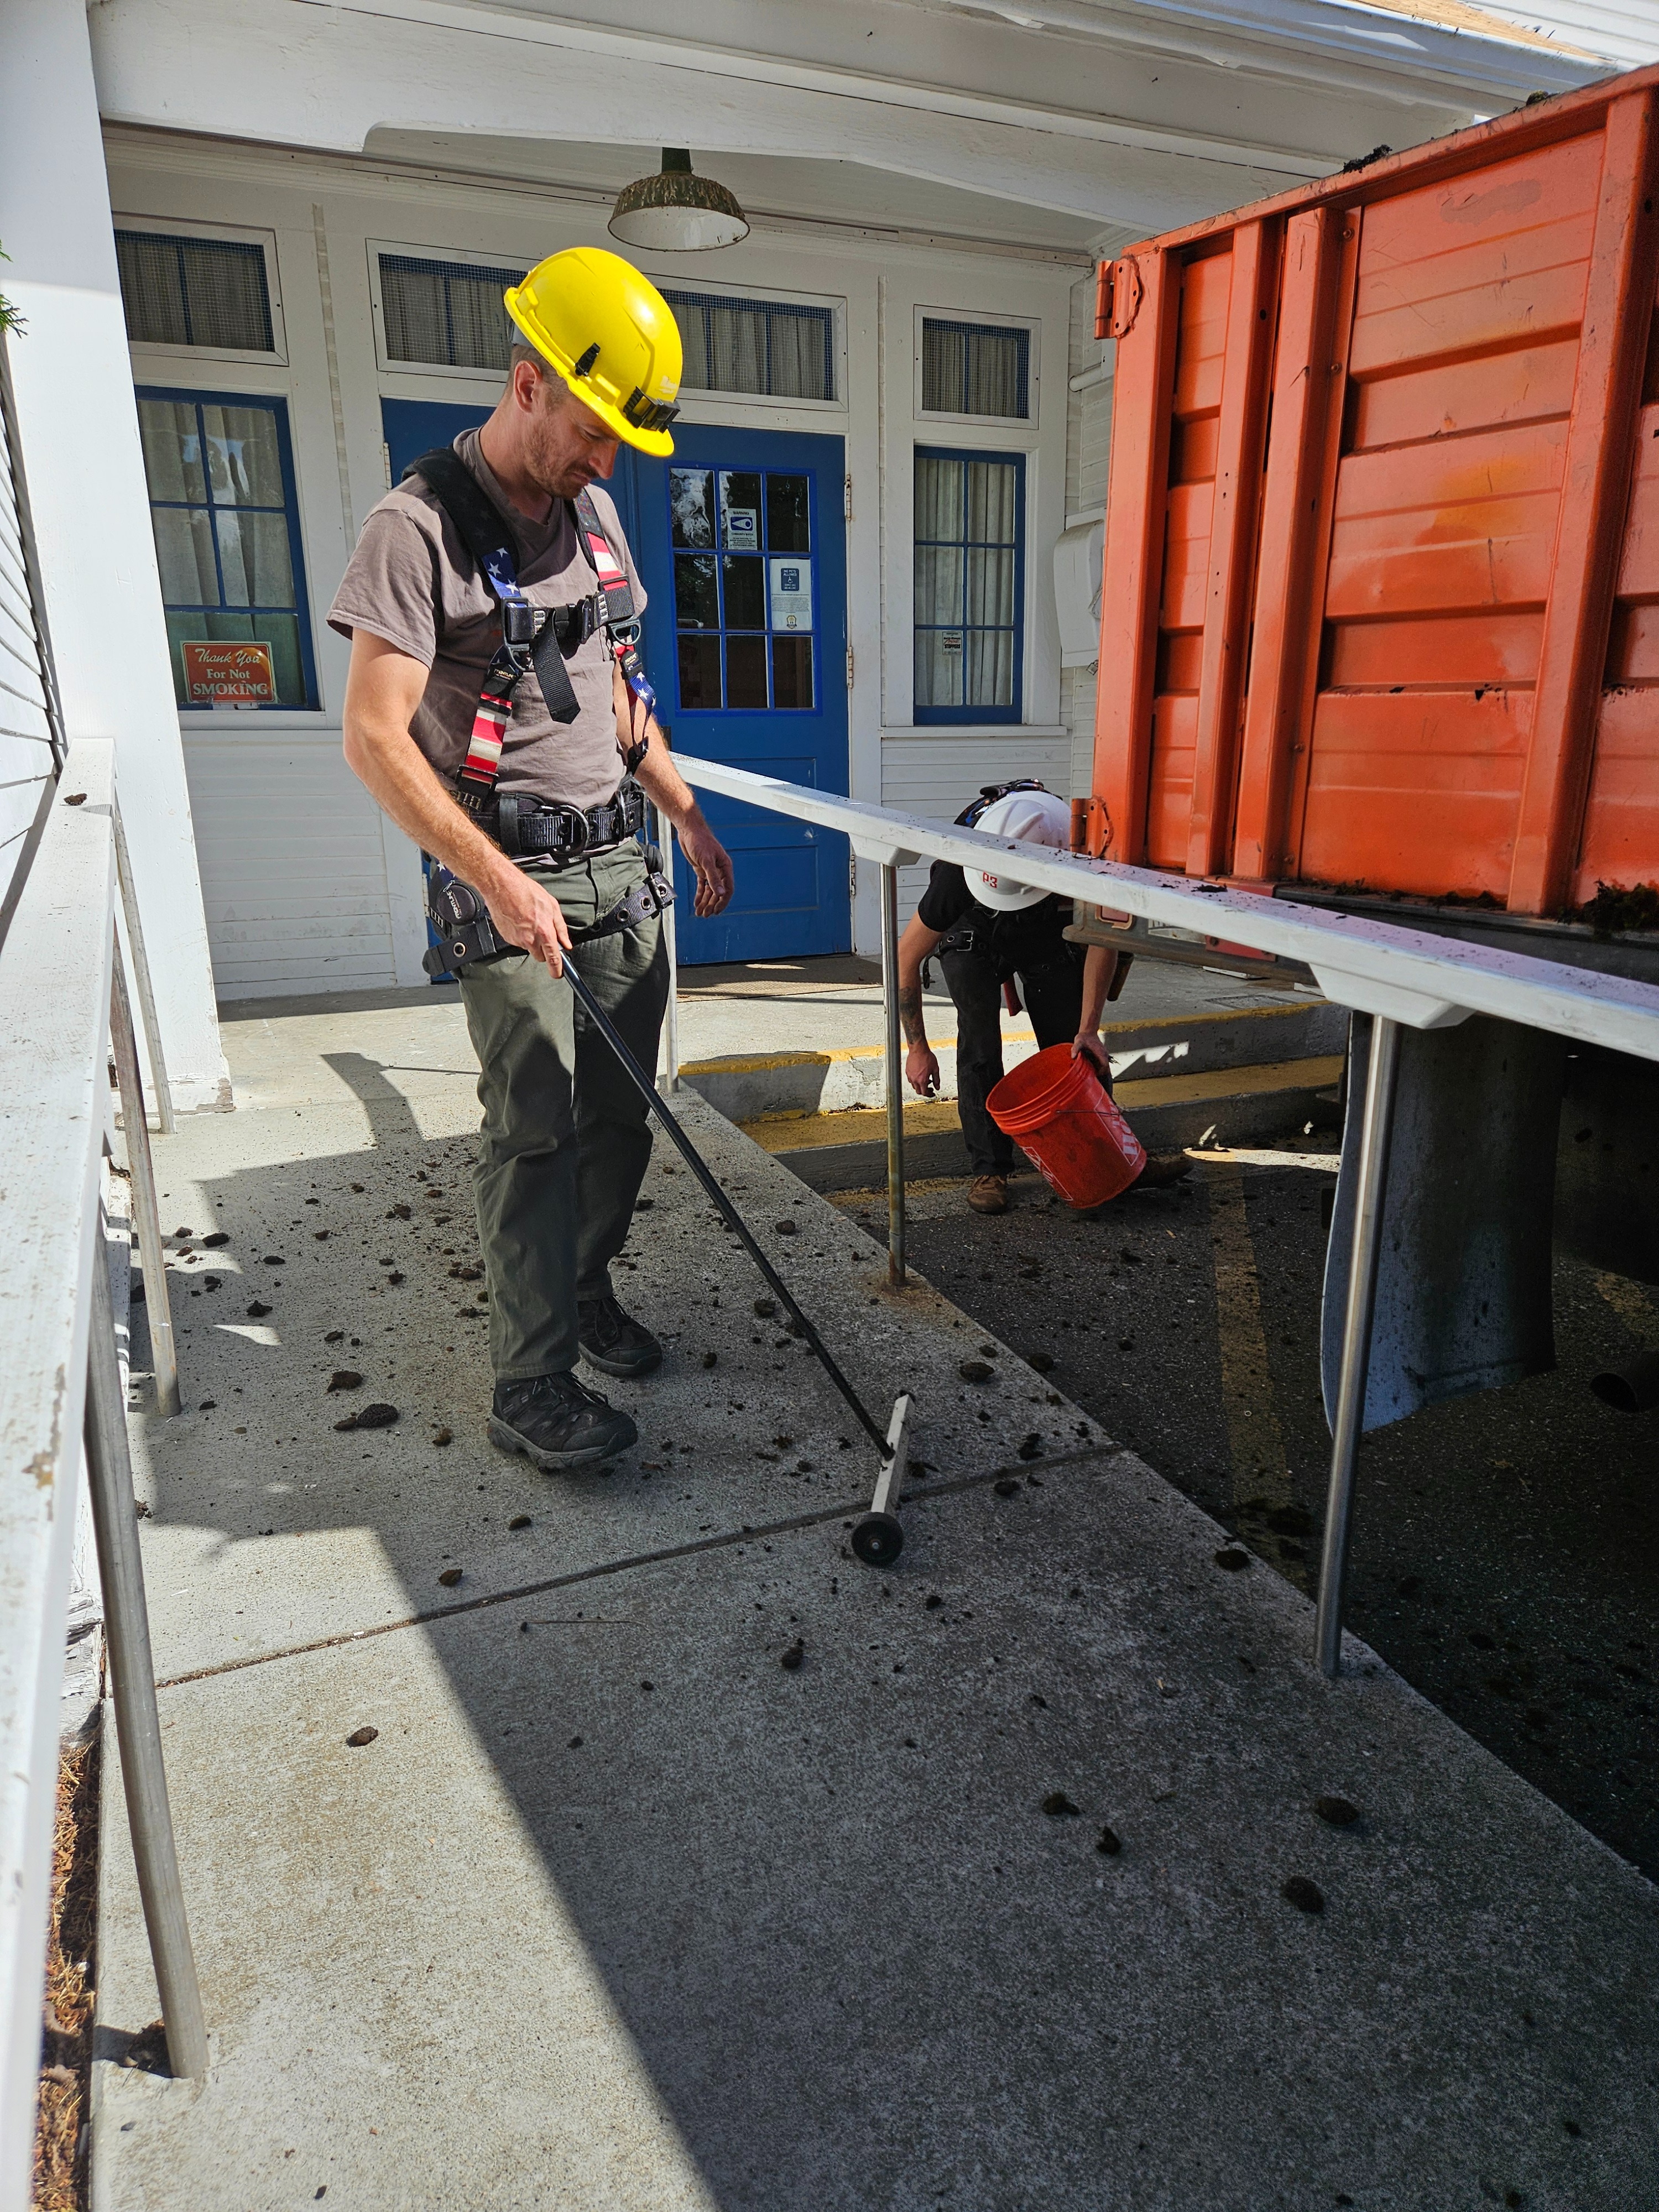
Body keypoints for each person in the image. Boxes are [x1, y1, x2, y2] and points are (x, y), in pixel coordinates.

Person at [332, 246, 734, 1472]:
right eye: (594, 431)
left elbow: (614, 696)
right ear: (527, 383)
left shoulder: (593, 516)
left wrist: (687, 814)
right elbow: (373, 736)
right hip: (505, 878)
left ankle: (583, 1285)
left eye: (621, 440)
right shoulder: (415, 529)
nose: (606, 461)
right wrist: (497, 881)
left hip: (620, 867)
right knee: (535, 1130)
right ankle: (531, 1379)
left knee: (621, 1119)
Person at [895, 784, 1187, 1213]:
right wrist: (917, 1048)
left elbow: (1103, 940)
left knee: (1072, 1046)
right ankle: (990, 1170)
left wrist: (1089, 1029)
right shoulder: (961, 865)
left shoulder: (1088, 857)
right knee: (979, 1041)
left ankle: (1116, 1161)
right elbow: (906, 956)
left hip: (1044, 926)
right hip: (972, 932)